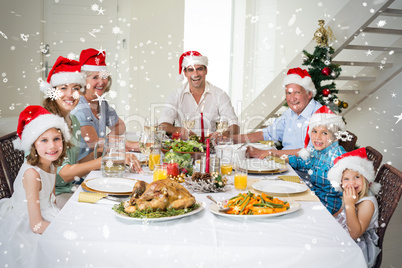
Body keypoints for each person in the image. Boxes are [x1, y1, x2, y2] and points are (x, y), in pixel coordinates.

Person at [41, 56, 141, 208]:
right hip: (53, 195)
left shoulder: (72, 120)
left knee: (120, 199)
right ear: (53, 92)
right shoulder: (48, 123)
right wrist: (106, 160)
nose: (70, 94)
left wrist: (114, 154)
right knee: (109, 206)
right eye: (63, 88)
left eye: (75, 88)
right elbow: (64, 173)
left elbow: (78, 162)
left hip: (70, 188)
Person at [0, 106, 69, 266]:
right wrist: (63, 230)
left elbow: (51, 201)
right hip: (27, 224)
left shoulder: (52, 163)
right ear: (33, 145)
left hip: (44, 212)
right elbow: (36, 225)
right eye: (44, 140)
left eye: (56, 139)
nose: (52, 146)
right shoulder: (32, 174)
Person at [232, 67, 322, 157]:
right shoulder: (288, 114)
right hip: (287, 164)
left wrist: (267, 153)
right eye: (288, 93)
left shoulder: (321, 116)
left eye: (297, 92)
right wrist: (231, 139)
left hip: (304, 170)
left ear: (309, 94)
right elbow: (267, 134)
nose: (292, 98)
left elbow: (312, 152)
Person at [159, 50, 239, 139]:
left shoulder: (220, 95)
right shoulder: (175, 95)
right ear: (185, 73)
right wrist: (180, 130)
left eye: (199, 69)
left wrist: (224, 134)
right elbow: (163, 125)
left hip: (211, 146)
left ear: (206, 71)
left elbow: (235, 126)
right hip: (185, 147)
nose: (195, 74)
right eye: (190, 70)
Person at [285, 106, 346, 214]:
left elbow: (350, 191)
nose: (317, 137)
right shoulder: (318, 150)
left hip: (326, 206)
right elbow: (305, 163)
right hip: (313, 197)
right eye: (314, 131)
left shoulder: (338, 158)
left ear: (336, 137)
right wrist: (287, 160)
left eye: (324, 133)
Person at [71, 48, 128, 161]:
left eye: (104, 76)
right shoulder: (79, 107)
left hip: (99, 161)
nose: (101, 82)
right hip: (82, 170)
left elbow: (120, 126)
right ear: (83, 81)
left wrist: (110, 137)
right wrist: (131, 146)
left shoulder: (102, 104)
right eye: (95, 77)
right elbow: (94, 143)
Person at [328, 148, 381, 267]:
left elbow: (355, 234)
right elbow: (340, 213)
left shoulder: (367, 203)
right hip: (343, 234)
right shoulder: (353, 196)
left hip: (356, 246)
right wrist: (328, 221)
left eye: (357, 177)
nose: (351, 183)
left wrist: (349, 205)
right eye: (346, 179)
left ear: (365, 178)